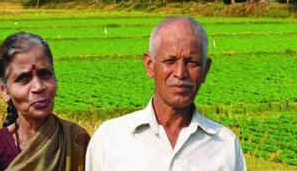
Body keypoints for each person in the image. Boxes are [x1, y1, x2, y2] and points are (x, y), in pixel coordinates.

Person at [86, 16, 246, 171]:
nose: (180, 73)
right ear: (150, 65)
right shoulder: (110, 138)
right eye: (170, 61)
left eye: (192, 63)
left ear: (206, 70)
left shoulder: (225, 145)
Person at [0, 32, 90, 171]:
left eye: (45, 74)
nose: (39, 87)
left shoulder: (76, 140)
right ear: (3, 89)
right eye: (23, 78)